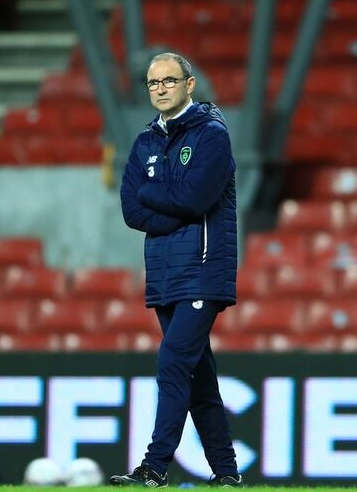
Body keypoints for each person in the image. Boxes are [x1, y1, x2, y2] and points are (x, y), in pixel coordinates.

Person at [113, 52, 241, 488]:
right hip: (165, 273)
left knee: (172, 360)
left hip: (203, 269)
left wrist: (156, 195)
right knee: (198, 376)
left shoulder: (211, 136)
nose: (161, 88)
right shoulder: (145, 140)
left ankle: (154, 467)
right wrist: (169, 204)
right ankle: (227, 473)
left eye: (169, 80)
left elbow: (195, 200)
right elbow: (131, 210)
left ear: (189, 85)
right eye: (153, 83)